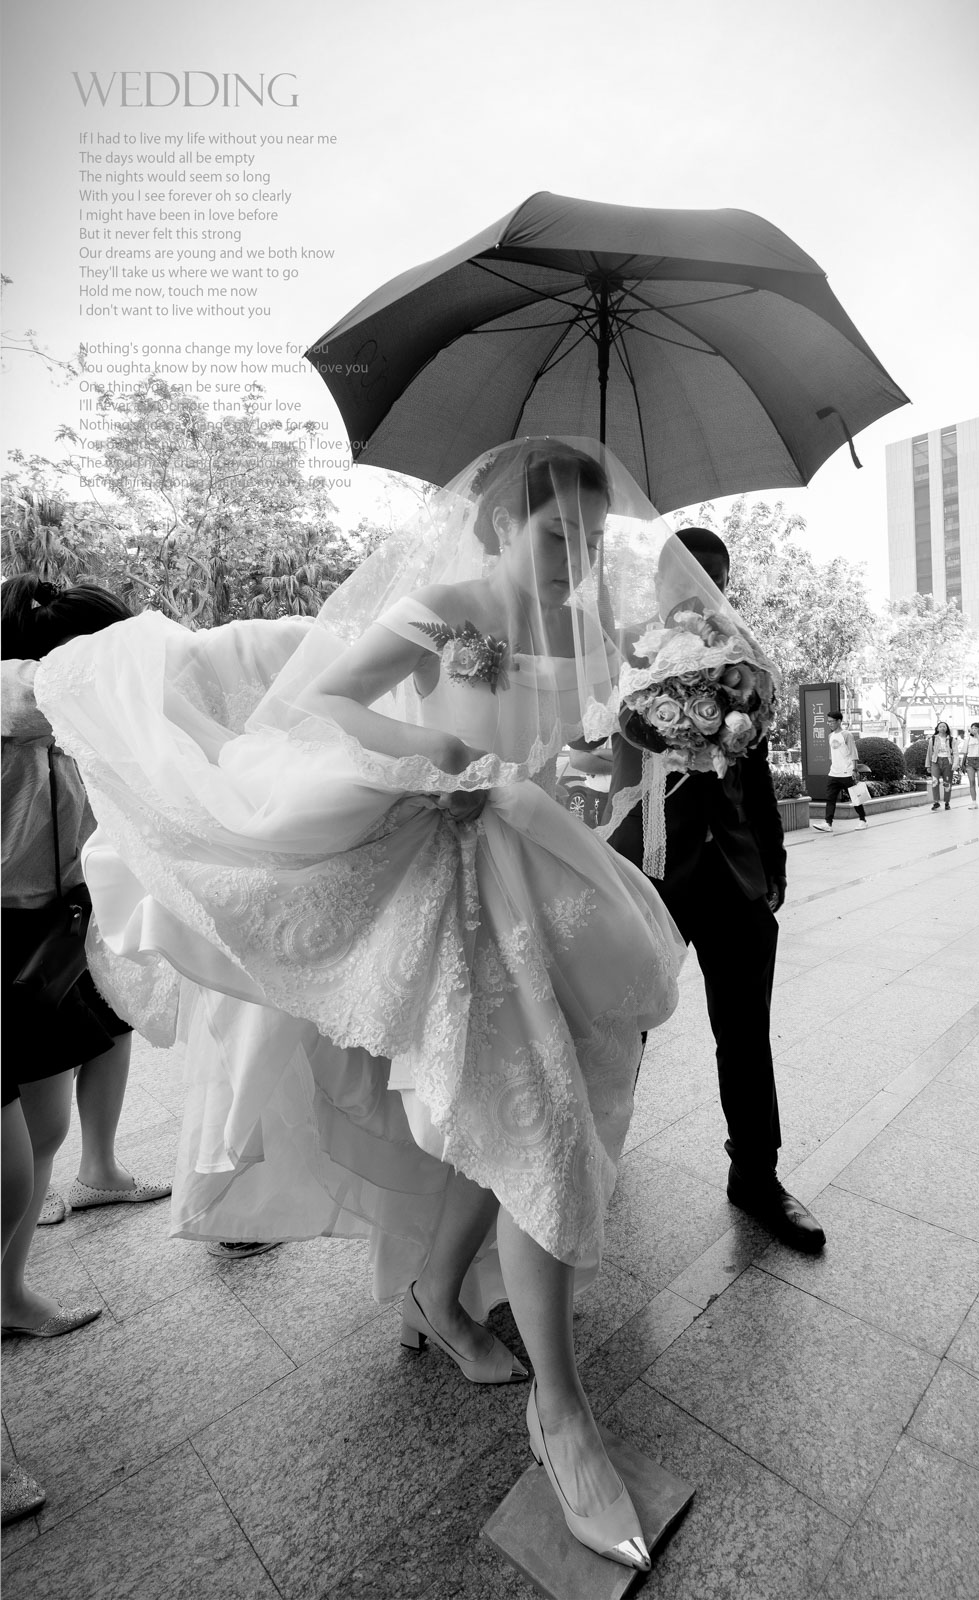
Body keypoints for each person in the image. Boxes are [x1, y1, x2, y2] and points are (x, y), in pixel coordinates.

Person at [31, 440, 704, 1573]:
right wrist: (427, 746)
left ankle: (438, 1294)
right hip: (449, 883)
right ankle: (562, 1412)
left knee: (516, 1117)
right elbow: (327, 699)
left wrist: (633, 756)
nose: (580, 559)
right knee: (540, 1124)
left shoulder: (580, 630)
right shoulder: (447, 608)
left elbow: (564, 762)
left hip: (540, 868)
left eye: (593, 540)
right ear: (501, 526)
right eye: (560, 536)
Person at [605, 528, 825, 1254]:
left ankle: (756, 1174)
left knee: (745, 1029)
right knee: (621, 1025)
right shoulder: (627, 651)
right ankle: (597, 1155)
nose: (706, 590)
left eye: (718, 579)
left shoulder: (741, 659)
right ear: (661, 581)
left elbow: (753, 769)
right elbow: (594, 750)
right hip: (647, 870)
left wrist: (773, 862)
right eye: (691, 576)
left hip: (733, 871)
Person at [2, 576, 155, 1525]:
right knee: (10, 1172)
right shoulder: (22, 701)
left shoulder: (64, 731)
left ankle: (11, 1293)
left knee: (44, 1131)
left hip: (37, 941)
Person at [811, 709, 868, 834]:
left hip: (847, 772)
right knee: (830, 798)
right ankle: (828, 823)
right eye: (828, 721)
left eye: (832, 721)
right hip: (834, 773)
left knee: (855, 797)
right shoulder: (830, 736)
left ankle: (863, 820)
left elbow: (853, 753)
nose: (829, 724)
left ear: (839, 721)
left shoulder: (847, 735)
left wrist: (854, 769)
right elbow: (832, 755)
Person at [924, 719, 958, 809]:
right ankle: (936, 802)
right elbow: (929, 752)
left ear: (947, 728)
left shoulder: (951, 739)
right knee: (934, 781)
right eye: (940, 726)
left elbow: (955, 753)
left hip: (948, 762)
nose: (942, 728)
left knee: (947, 782)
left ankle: (947, 802)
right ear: (937, 728)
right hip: (935, 761)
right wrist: (928, 765)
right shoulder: (933, 739)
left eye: (944, 726)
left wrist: (955, 764)